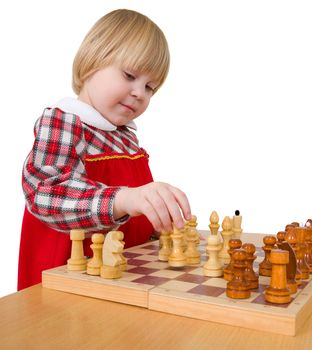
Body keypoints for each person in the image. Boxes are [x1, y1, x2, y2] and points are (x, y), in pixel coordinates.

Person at [18, 9, 191, 290]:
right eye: (129, 75)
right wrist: (123, 199)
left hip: (118, 278)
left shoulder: (126, 139)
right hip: (67, 279)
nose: (139, 93)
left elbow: (132, 211)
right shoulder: (64, 121)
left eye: (150, 87)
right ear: (92, 62)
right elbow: (44, 193)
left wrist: (156, 223)